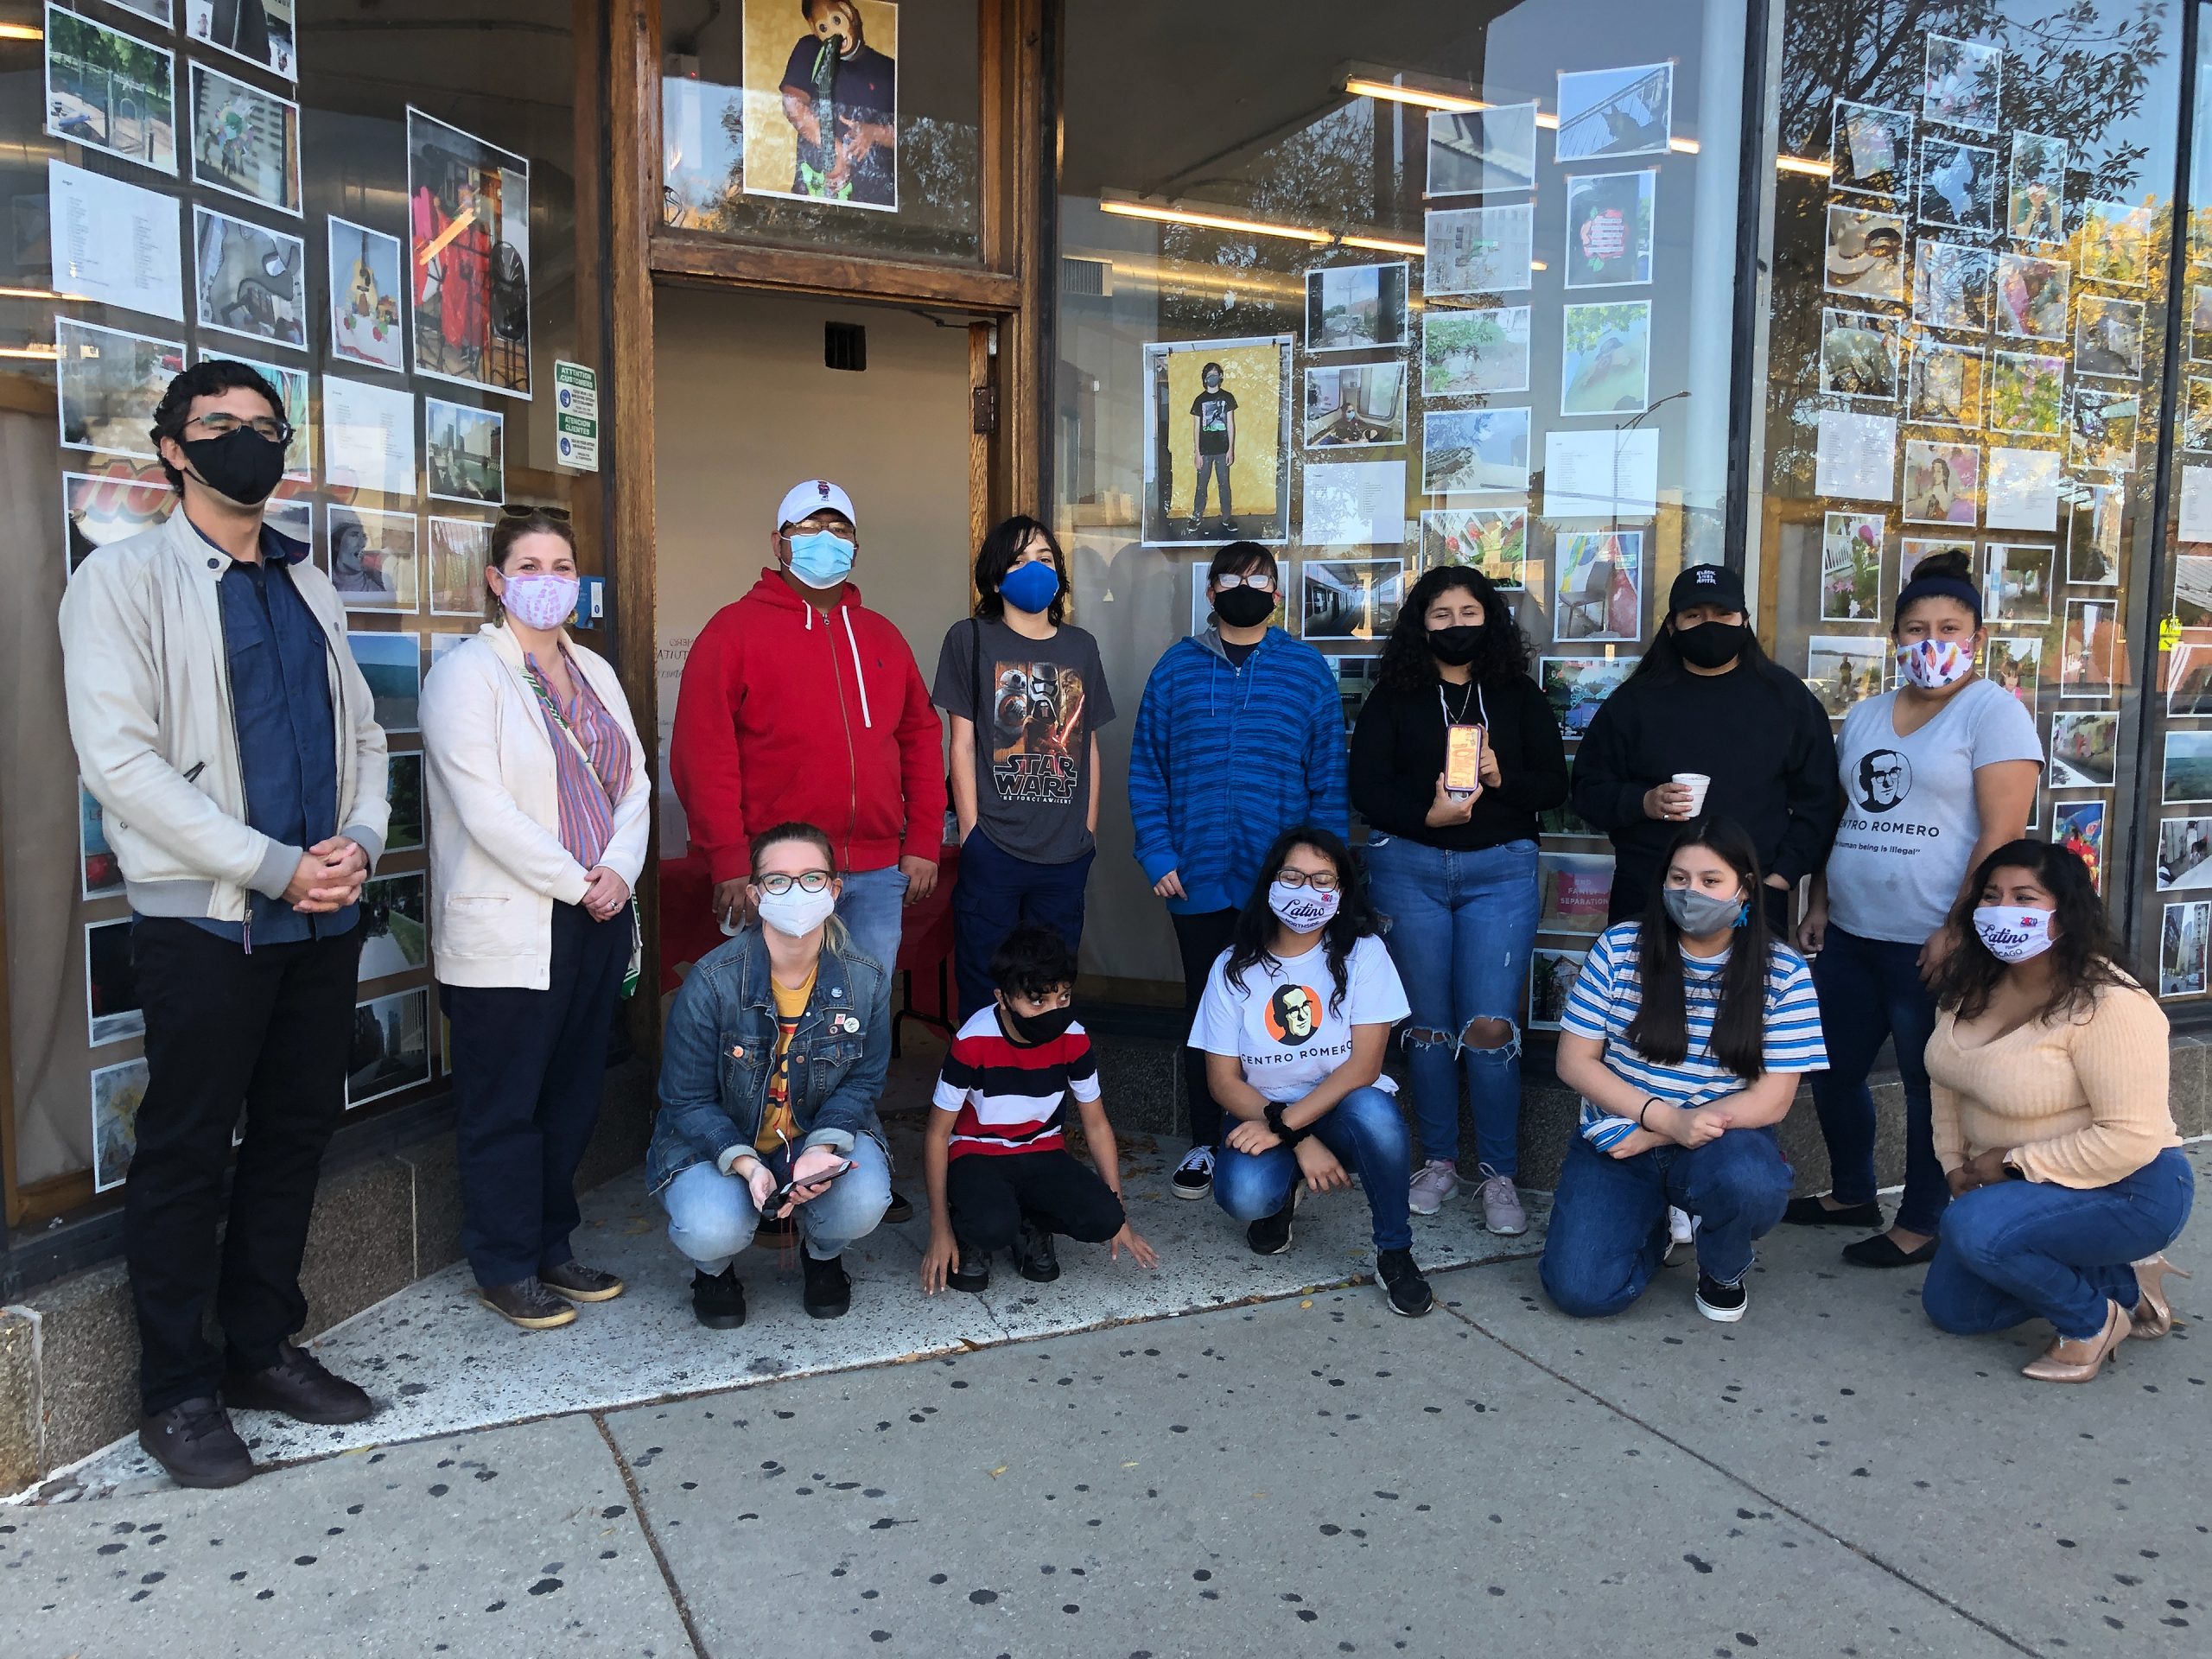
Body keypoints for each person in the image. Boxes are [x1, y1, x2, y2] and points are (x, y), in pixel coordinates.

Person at [60, 359, 390, 1488]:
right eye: (218, 427)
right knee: (188, 1153)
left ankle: (259, 1349)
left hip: (317, 921)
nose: (244, 442)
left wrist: (358, 842)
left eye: (262, 426)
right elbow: (122, 766)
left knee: (295, 1137)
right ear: (171, 448)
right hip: (206, 926)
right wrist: (272, 867)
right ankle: (178, 1393)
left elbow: (363, 739)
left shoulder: (311, 585)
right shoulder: (123, 583)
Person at [419, 510, 651, 1330]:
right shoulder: (465, 676)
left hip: (594, 916)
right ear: (496, 579)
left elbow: (635, 782)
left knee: (569, 1098)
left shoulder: (594, 670)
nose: (547, 580)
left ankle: (554, 1245)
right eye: (529, 565)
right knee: (505, 1103)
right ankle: (505, 1262)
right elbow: (482, 807)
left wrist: (618, 871)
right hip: (516, 922)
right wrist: (575, 878)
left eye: (561, 565)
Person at [1789, 550, 2039, 1268]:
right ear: (1894, 637)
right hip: (1850, 933)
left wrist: (1957, 929)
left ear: (1975, 637)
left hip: (1928, 943)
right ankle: (1852, 1193)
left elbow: (2002, 838)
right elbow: (1846, 815)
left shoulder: (1994, 714)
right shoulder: (1865, 715)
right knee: (1830, 1072)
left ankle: (1922, 1221)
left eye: (1949, 626)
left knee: (1933, 1089)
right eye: (1915, 627)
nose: (1931, 640)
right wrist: (1821, 899)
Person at [1921, 841, 2193, 1382]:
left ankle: (2090, 1322)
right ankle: (2122, 1283)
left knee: (1973, 1228)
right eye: (1991, 896)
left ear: (2067, 910)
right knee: (1957, 1311)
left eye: (2025, 897)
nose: (2003, 910)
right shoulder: (1971, 987)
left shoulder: (2111, 1004)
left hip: (2130, 1188)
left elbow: (2131, 1136)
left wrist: (2011, 1163)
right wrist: (1953, 1162)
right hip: (2021, 1187)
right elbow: (1948, 1082)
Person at [1539, 819, 1827, 1324]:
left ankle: (1722, 1266)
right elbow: (1574, 1061)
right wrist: (1663, 1120)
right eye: (1678, 878)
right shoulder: (1620, 946)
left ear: (1746, 888)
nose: (1691, 891)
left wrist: (1665, 1132)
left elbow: (1774, 1099)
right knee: (1582, 1293)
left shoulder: (1783, 971)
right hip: (1618, 1136)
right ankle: (1651, 1225)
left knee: (1751, 1182)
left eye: (1710, 881)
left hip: (1721, 1142)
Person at [1128, 542, 1348, 1201]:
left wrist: (1323, 876)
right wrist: (1158, 850)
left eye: (1259, 579)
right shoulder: (1175, 669)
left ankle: (1292, 1138)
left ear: (1277, 594)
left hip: (1282, 890)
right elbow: (1147, 768)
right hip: (1195, 877)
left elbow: (1328, 780)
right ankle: (1206, 1139)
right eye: (1232, 578)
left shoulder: (1307, 672)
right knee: (1208, 1016)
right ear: (1211, 591)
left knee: (1283, 1012)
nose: (1245, 587)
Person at [1352, 565, 1566, 1231]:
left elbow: (1554, 786)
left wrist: (1503, 778)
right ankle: (1440, 1161)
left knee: (1490, 1026)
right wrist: (1428, 818)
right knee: (1426, 1028)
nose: (1455, 626)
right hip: (1408, 870)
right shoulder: (1395, 694)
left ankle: (1498, 1174)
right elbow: (1367, 790)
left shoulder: (1519, 696)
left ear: (1490, 620)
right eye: (1440, 615)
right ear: (1420, 624)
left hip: (1500, 872)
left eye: (1468, 612)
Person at [670, 477, 945, 991]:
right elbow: (702, 756)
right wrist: (728, 857)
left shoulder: (883, 636)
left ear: (856, 548)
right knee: (769, 1016)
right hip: (777, 874)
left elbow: (921, 740)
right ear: (779, 543)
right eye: (810, 527)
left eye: (839, 529)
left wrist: (925, 840)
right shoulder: (731, 633)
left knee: (861, 1019)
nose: (826, 538)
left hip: (877, 873)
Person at [647, 821, 896, 1326]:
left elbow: (864, 1081)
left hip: (812, 1133)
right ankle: (713, 1270)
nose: (796, 893)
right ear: (756, 895)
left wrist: (822, 1149)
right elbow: (684, 1099)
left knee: (865, 1200)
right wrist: (745, 1163)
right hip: (723, 1138)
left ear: (834, 890)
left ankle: (823, 1256)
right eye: (778, 881)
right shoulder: (712, 983)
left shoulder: (866, 979)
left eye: (812, 878)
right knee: (711, 1227)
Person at [1197, 827, 1435, 1317]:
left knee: (1378, 1117)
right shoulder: (1232, 968)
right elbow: (1222, 1082)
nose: (1307, 891)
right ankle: (1282, 1192)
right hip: (1263, 1110)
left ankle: (1394, 1251)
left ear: (1342, 892)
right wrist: (1297, 1136)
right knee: (1244, 1197)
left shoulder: (1363, 953)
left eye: (1323, 880)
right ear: (1270, 882)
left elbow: (1364, 1067)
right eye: (1293, 876)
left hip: (1343, 1103)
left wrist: (1292, 1126)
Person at [1572, 563, 1839, 929]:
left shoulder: (1787, 699)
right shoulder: (1633, 702)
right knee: (1645, 988)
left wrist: (1781, 877)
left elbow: (1820, 801)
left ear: (1744, 621)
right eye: (1694, 615)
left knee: (1745, 989)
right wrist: (1643, 802)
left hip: (1750, 897)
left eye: (1722, 615)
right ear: (1672, 625)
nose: (1709, 625)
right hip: (1649, 895)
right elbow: (1588, 790)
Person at [932, 517, 1113, 1020]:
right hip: (994, 846)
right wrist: (971, 833)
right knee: (983, 979)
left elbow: (1089, 746)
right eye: (1018, 560)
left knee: (1050, 984)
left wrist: (1087, 832)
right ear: (995, 578)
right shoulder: (969, 639)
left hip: (1065, 851)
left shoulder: (1081, 647)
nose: (1034, 568)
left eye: (1045, 558)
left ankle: (1042, 1087)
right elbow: (961, 744)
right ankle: (980, 1088)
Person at [919, 925, 1158, 1294]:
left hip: (1042, 1148)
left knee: (1104, 1217)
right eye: (1037, 1001)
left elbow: (1096, 1124)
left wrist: (1120, 1216)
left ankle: (1030, 1223)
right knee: (990, 1225)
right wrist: (940, 1230)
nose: (1053, 1010)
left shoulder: (1074, 1038)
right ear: (1003, 998)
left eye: (1063, 998)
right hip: (976, 1151)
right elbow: (937, 1133)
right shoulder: (972, 1040)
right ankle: (971, 1230)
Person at [778, 0, 896, 207]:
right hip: (819, 198)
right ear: (813, 28)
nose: (834, 31)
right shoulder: (811, 49)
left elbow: (913, 135)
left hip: (878, 204)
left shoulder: (889, 69)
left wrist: (874, 133)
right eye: (823, 27)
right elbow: (792, 104)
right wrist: (833, 149)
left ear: (852, 15)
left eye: (837, 19)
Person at [1188, 361, 1237, 535]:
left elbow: (1230, 424)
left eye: (1215, 373)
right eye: (1209, 374)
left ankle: (1227, 518)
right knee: (1201, 486)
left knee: (1224, 485)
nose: (1212, 376)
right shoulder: (1199, 400)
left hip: (1223, 451)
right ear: (1205, 377)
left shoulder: (1228, 398)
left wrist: (1231, 449)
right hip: (1205, 452)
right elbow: (1196, 428)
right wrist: (1197, 453)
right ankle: (1196, 517)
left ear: (1220, 376)